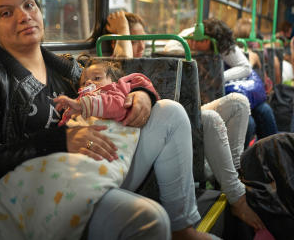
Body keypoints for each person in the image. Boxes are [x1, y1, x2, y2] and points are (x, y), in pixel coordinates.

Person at [0, 0, 213, 240]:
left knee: (169, 112)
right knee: (148, 219)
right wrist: (60, 140)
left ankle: (182, 228)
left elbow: (108, 85)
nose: (24, 16)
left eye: (29, 5)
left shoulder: (65, 67)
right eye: (6, 13)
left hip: (88, 170)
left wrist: (141, 94)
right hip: (36, 195)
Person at [107, 12, 266, 231]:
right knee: (210, 118)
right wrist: (122, 31)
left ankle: (236, 178)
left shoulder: (152, 60)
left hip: (169, 119)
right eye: (134, 40)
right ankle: (235, 195)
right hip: (156, 129)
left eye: (144, 38)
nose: (142, 45)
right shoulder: (106, 72)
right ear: (120, 41)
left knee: (238, 103)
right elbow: (120, 68)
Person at [0, 59, 160, 239]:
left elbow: (118, 106)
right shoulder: (76, 103)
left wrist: (83, 106)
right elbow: (69, 134)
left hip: (105, 147)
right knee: (33, 174)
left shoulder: (114, 93)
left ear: (114, 81)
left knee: (73, 184)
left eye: (96, 78)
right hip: (75, 150)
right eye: (83, 82)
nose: (89, 82)